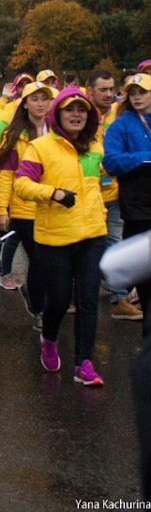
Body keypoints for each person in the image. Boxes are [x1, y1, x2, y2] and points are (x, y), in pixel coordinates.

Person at [15, 87, 107, 386]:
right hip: (55, 238)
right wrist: (52, 193)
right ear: (58, 114)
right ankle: (50, 338)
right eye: (70, 110)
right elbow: (22, 185)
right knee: (58, 301)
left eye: (82, 110)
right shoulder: (40, 147)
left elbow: (103, 182)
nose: (76, 115)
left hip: (92, 235)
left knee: (89, 301)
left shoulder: (95, 147)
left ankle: (84, 363)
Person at [0, 82, 55, 330]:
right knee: (37, 258)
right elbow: (6, 175)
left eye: (45, 99)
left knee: (49, 260)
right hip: (24, 207)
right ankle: (40, 309)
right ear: (25, 103)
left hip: (52, 204)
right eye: (35, 99)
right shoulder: (14, 135)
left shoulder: (57, 132)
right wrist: (1, 209)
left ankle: (33, 291)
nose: (40, 104)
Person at [86, 71, 142, 320]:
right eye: (103, 90)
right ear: (90, 91)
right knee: (89, 247)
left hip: (114, 193)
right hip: (87, 195)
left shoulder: (120, 114)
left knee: (115, 242)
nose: (109, 94)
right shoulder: (79, 114)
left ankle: (119, 297)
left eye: (111, 89)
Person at [104, 73, 151, 334]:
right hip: (137, 209)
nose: (137, 97)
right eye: (133, 93)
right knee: (145, 276)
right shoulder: (120, 125)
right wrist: (145, 158)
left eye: (142, 92)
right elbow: (110, 162)